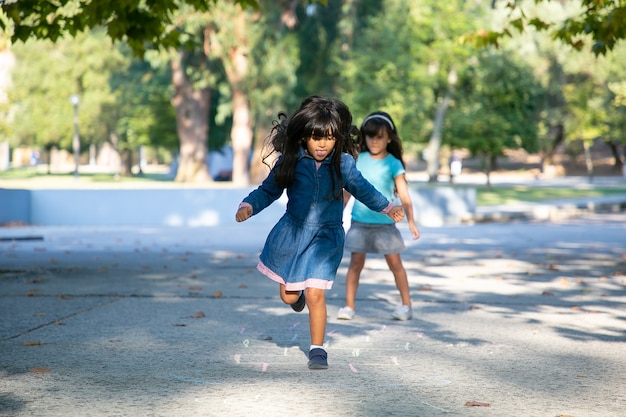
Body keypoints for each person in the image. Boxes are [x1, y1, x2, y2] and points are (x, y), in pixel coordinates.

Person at [235, 96, 405, 370]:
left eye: (329, 138)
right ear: (304, 137)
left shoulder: (344, 163)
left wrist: (387, 207)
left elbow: (362, 188)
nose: (323, 144)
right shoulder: (290, 161)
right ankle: (297, 296)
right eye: (316, 138)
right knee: (289, 296)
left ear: (337, 138)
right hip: (292, 234)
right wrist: (249, 205)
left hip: (325, 238)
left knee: (316, 294)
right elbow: (269, 189)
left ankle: (317, 349)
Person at [338, 111, 420, 321]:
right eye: (370, 135)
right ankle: (349, 306)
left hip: (385, 225)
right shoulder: (358, 160)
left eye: (380, 136)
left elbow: (404, 196)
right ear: (364, 137)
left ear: (389, 138)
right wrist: (336, 215)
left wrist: (411, 221)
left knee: (395, 264)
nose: (374, 140)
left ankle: (406, 305)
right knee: (355, 265)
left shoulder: (393, 163)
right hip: (360, 223)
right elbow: (348, 192)